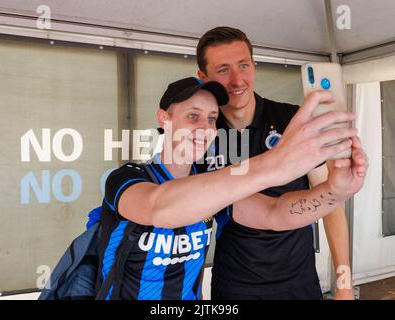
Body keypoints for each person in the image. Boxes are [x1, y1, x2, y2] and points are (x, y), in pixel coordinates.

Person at [97, 76, 367, 299]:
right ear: (164, 119)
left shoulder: (210, 180)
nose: (205, 127)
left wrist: (336, 191)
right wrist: (274, 164)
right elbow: (159, 207)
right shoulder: (127, 177)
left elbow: (274, 213)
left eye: (212, 118)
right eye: (193, 116)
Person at [196, 26, 360, 300]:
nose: (238, 80)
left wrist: (343, 285)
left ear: (254, 66)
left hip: (299, 281)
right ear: (203, 77)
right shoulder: (201, 137)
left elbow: (331, 205)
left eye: (244, 66)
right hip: (234, 285)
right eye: (223, 70)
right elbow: (195, 226)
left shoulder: (292, 121)